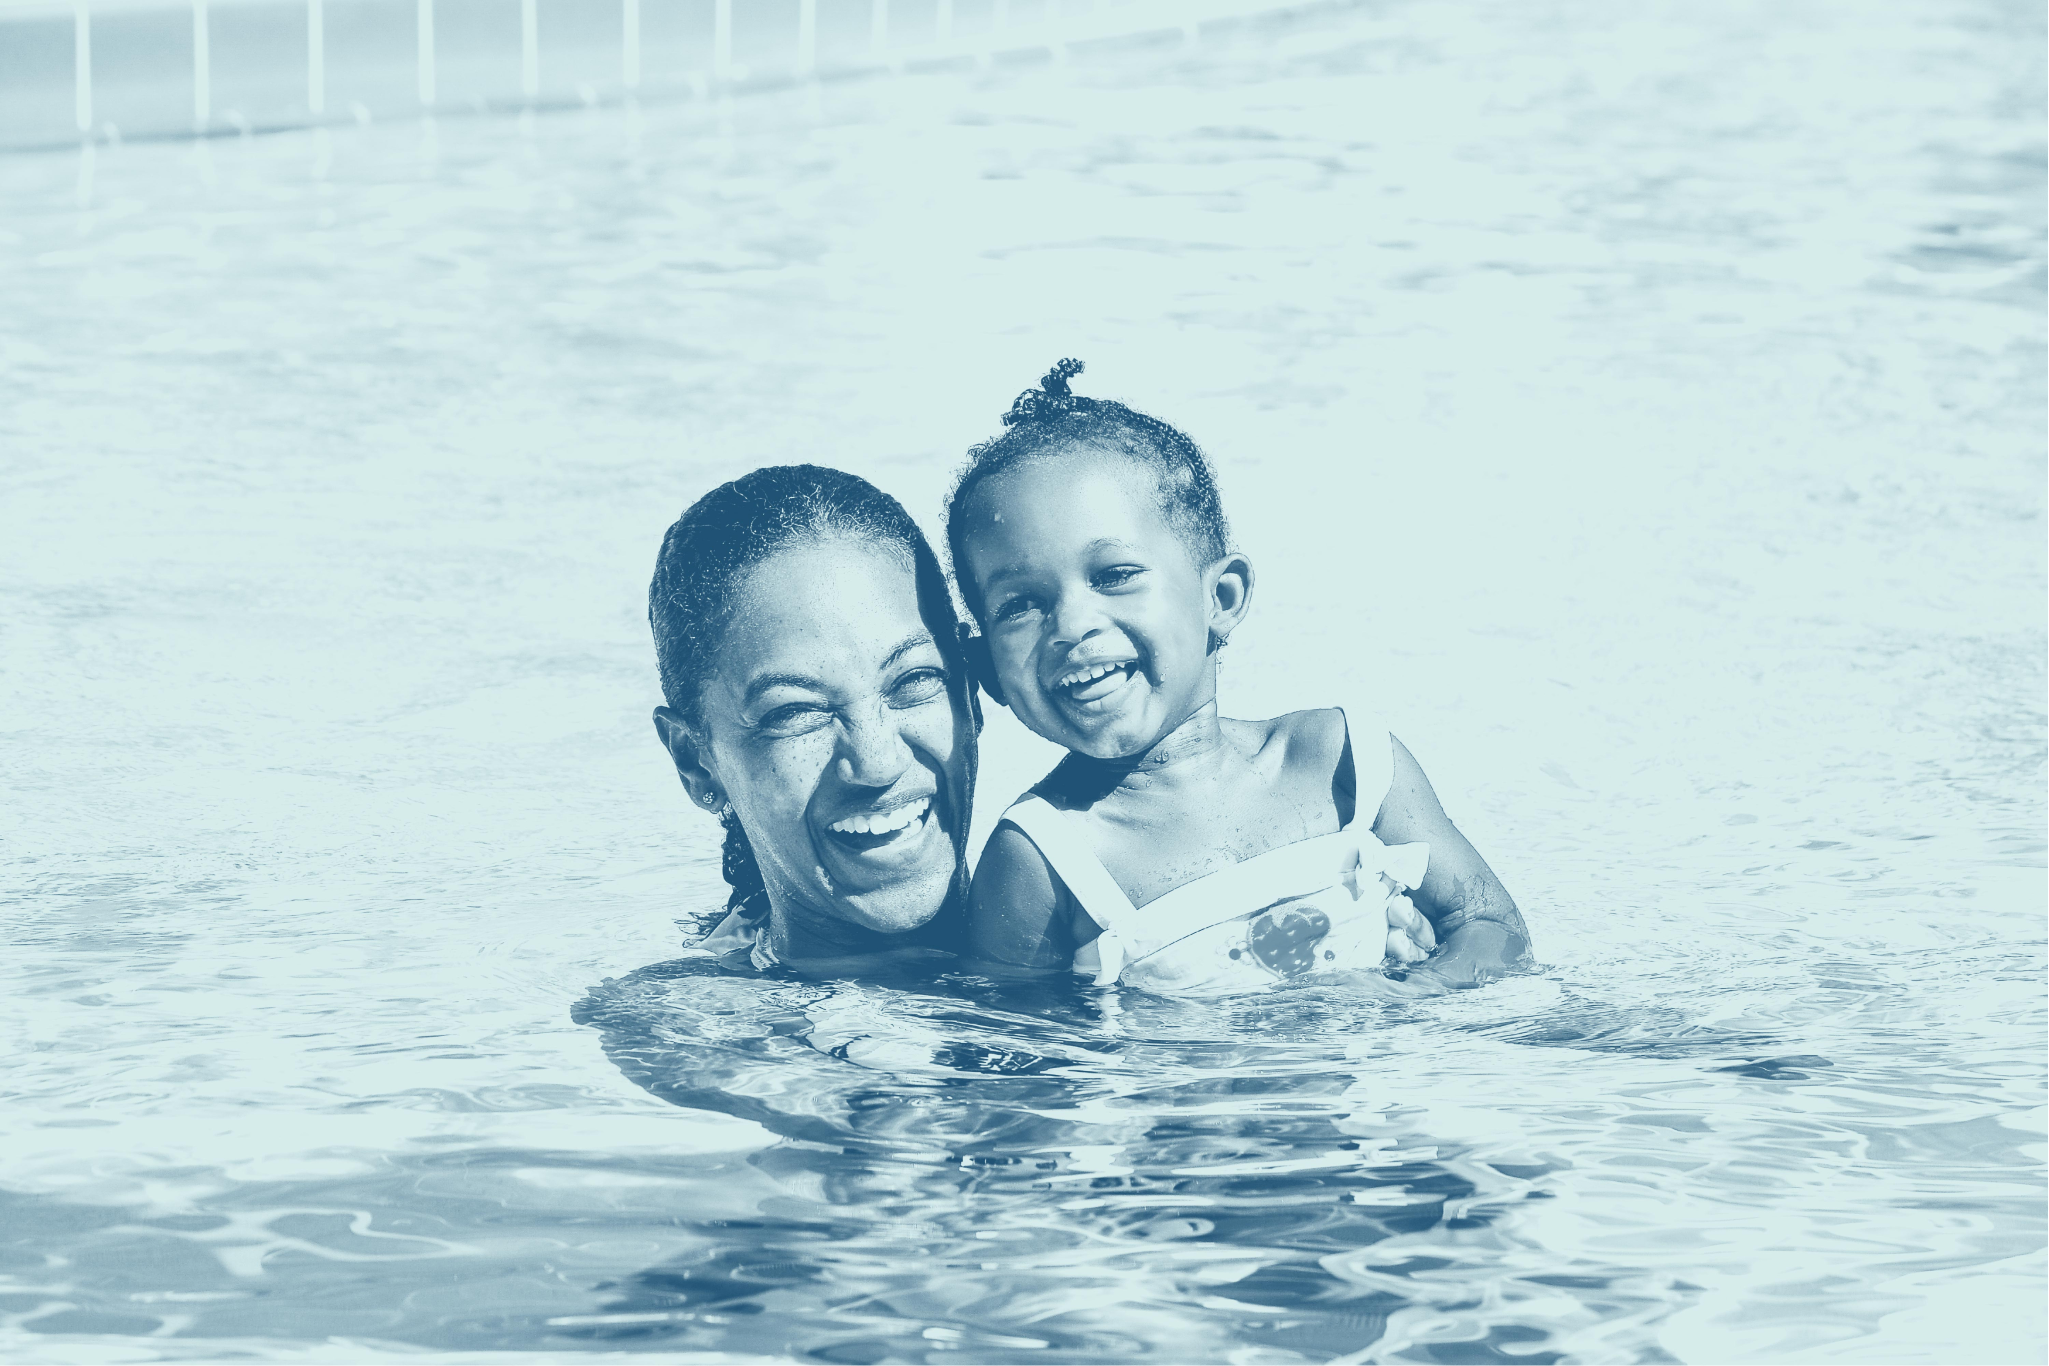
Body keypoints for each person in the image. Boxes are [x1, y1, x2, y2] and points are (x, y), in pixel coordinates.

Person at [647, 461, 1440, 981]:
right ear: (694, 763)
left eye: (914, 681)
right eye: (794, 714)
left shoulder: (1127, 912)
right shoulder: (706, 1046)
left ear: (972, 690)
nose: (878, 761)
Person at [948, 360, 1530, 994]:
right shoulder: (1040, 858)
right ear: (989, 674)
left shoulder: (1346, 766)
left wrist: (1413, 994)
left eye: (1113, 576)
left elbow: (1493, 928)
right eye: (1019, 605)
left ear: (1219, 599)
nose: (1070, 624)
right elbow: (1012, 1048)